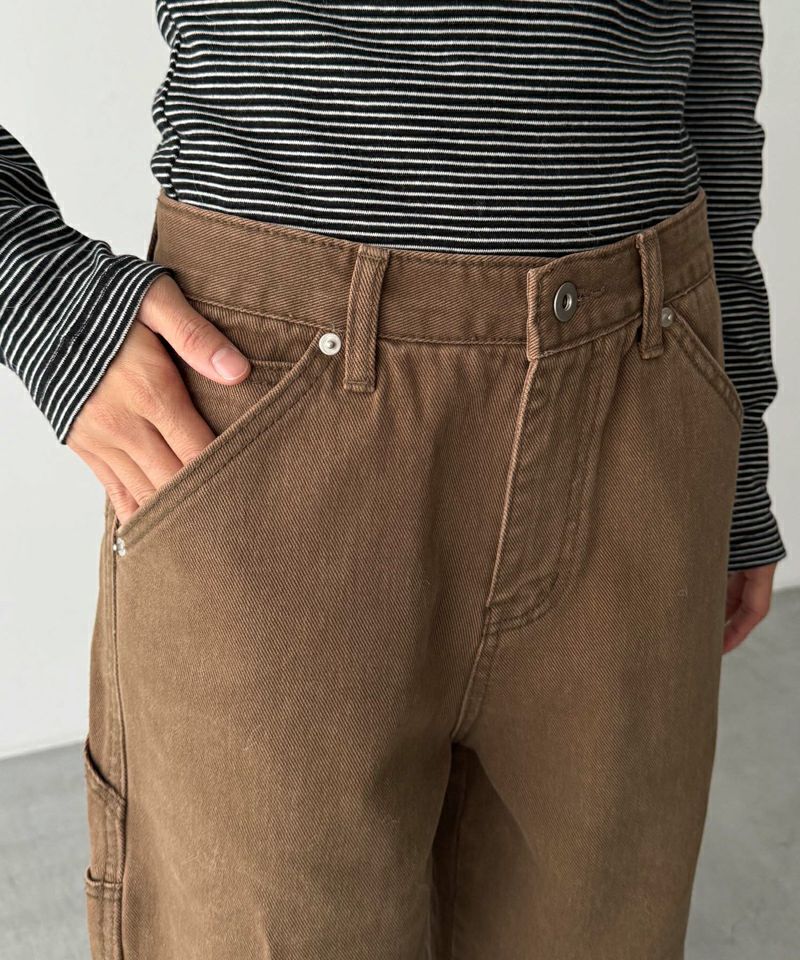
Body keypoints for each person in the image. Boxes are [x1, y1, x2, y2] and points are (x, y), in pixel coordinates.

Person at [0, 3, 786, 958]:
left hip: (644, 394)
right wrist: (34, 288)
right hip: (273, 413)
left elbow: (716, 58)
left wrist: (736, 432)